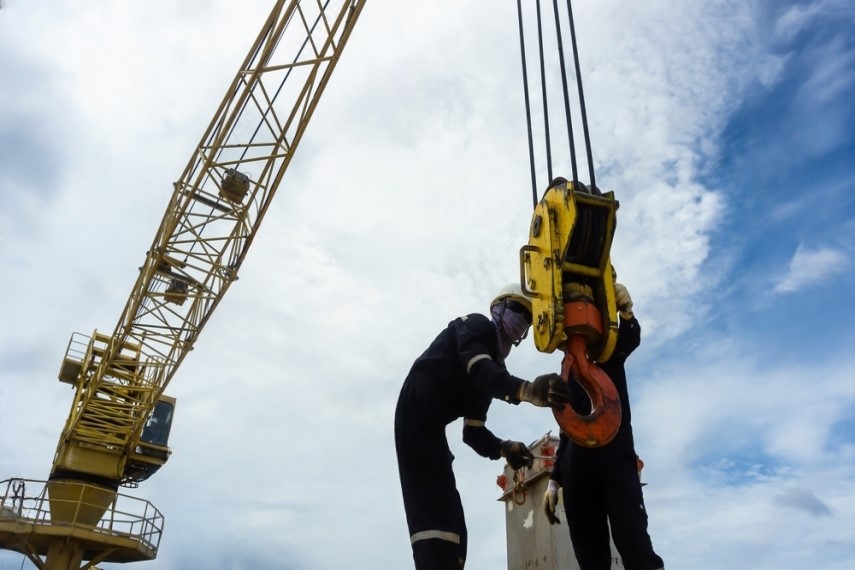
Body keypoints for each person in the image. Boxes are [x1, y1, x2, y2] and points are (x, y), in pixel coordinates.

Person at [395, 283, 572, 570]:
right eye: (516, 309)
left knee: (455, 532)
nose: (520, 321)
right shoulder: (476, 327)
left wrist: (505, 448)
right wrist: (528, 390)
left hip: (431, 432)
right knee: (435, 523)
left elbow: (473, 433)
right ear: (497, 308)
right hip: (413, 420)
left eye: (526, 318)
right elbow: (481, 370)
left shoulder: (492, 370)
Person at [543, 282, 664, 570]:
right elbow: (566, 432)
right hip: (576, 475)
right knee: (590, 558)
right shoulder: (566, 371)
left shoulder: (609, 354)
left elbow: (630, 339)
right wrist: (554, 479)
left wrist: (627, 313)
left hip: (616, 464)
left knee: (635, 546)